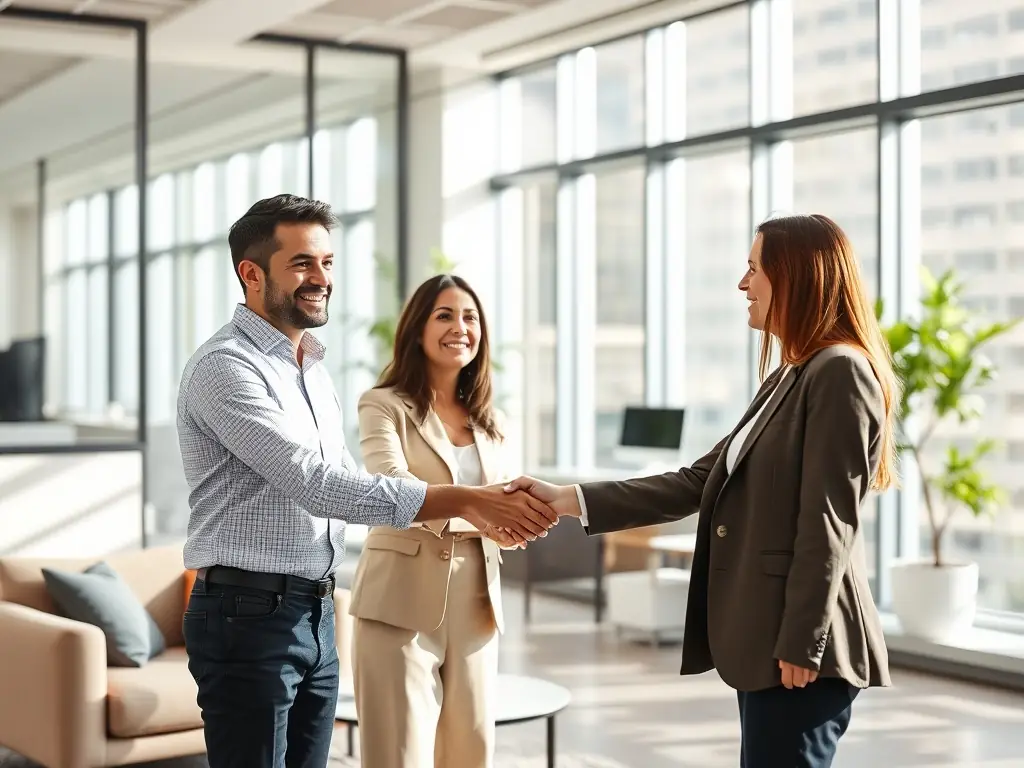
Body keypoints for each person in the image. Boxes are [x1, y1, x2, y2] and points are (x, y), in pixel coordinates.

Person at [176, 194, 555, 768]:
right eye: (302, 263)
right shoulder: (226, 367)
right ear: (251, 274)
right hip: (246, 612)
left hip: (315, 610)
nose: (321, 278)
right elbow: (317, 484)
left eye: (327, 262)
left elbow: (343, 481)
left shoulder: (312, 371)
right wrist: (468, 501)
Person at [506, 214, 897, 768]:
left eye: (754, 268)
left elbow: (828, 521)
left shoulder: (839, 371)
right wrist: (567, 499)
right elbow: (696, 481)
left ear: (796, 276)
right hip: (767, 637)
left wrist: (801, 642)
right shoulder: (790, 375)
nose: (743, 284)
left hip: (801, 647)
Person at [349, 273, 515, 768]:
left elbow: (503, 502)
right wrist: (476, 507)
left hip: (479, 607)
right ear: (417, 328)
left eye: (470, 317)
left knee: (472, 752)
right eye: (444, 315)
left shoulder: (492, 419)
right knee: (398, 755)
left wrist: (518, 521)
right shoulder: (383, 404)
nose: (460, 326)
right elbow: (391, 487)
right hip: (399, 601)